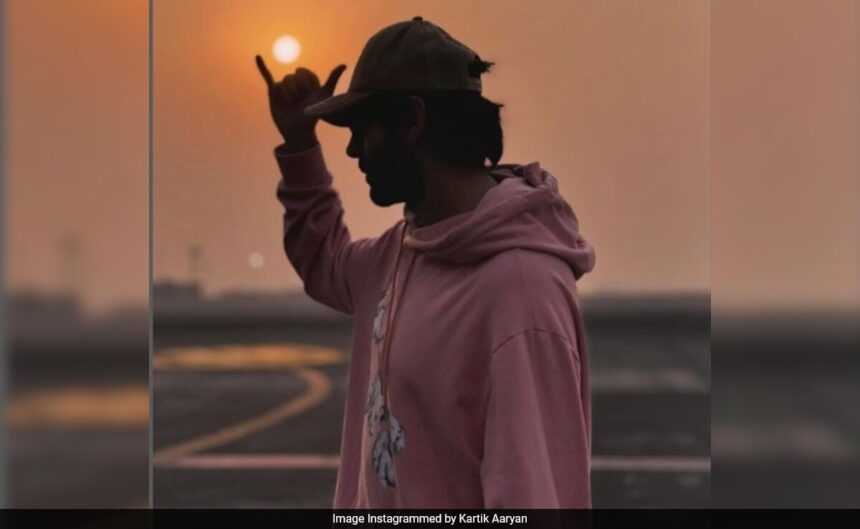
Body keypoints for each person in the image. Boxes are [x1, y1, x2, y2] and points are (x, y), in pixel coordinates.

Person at [255, 16, 596, 509]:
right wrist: (299, 145)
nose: (352, 149)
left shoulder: (521, 290)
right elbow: (325, 260)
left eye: (362, 129)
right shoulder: (400, 251)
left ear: (412, 121)